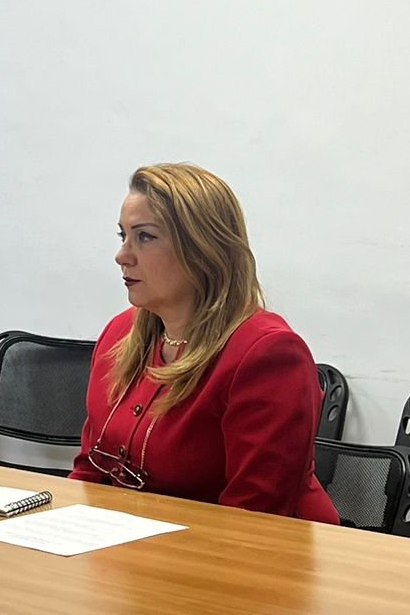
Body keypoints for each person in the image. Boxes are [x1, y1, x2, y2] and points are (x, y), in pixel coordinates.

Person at [70, 163, 339, 523]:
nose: (122, 255)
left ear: (201, 249)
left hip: (247, 549)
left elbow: (254, 515)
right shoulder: (120, 334)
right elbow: (91, 470)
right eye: (123, 236)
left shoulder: (267, 354)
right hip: (135, 542)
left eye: (145, 237)